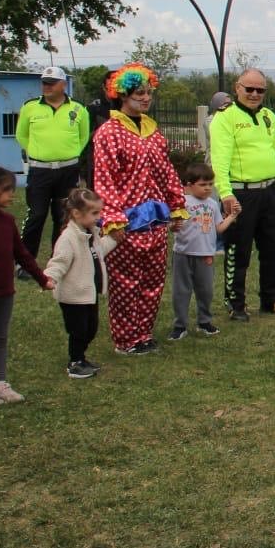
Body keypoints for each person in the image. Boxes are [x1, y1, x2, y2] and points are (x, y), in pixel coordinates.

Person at [91, 64, 187, 355]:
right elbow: (103, 178)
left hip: (155, 219)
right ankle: (125, 339)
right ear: (122, 95)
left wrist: (176, 205)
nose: (145, 98)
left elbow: (167, 173)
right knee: (125, 282)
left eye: (148, 93)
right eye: (138, 93)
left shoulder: (153, 132)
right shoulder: (109, 132)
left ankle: (143, 333)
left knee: (153, 279)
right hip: (126, 220)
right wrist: (113, 219)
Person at [209, 68, 275, 320]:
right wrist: (225, 193)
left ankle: (271, 298)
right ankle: (235, 303)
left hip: (268, 191)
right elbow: (219, 159)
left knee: (273, 247)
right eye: (249, 89)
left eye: (260, 90)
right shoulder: (225, 118)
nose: (255, 94)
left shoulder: (268, 116)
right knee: (239, 250)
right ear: (238, 88)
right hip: (240, 192)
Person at [0, 163, 55, 406]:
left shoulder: (7, 221)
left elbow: (22, 254)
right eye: (5, 190)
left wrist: (42, 278)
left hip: (5, 292)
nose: (11, 195)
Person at [16, 65, 90, 263]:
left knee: (63, 216)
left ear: (63, 85)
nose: (46, 87)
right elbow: (21, 135)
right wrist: (36, 152)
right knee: (36, 215)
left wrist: (69, 153)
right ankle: (25, 262)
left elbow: (83, 137)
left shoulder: (78, 109)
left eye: (51, 83)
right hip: (40, 170)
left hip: (68, 169)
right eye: (44, 83)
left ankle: (59, 258)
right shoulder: (30, 107)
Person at [44, 188, 120, 378]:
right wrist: (50, 277)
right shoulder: (68, 239)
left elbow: (99, 250)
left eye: (99, 212)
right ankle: (75, 362)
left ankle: (81, 357)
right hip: (73, 296)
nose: (99, 217)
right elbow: (59, 261)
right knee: (78, 330)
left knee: (91, 328)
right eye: (94, 213)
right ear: (77, 214)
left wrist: (113, 239)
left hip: (89, 293)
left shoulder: (91, 233)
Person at [170, 163, 236, 340]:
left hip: (206, 254)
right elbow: (172, 225)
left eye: (210, 184)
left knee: (205, 290)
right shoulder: (181, 202)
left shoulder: (213, 205)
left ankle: (204, 322)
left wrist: (232, 217)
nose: (207, 188)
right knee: (181, 291)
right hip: (183, 254)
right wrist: (172, 225)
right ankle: (180, 325)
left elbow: (219, 228)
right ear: (189, 185)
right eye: (202, 184)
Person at [200, 91, 231, 163]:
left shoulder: (228, 118)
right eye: (226, 104)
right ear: (217, 104)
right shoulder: (210, 121)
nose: (229, 106)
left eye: (230, 104)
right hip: (213, 163)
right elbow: (221, 138)